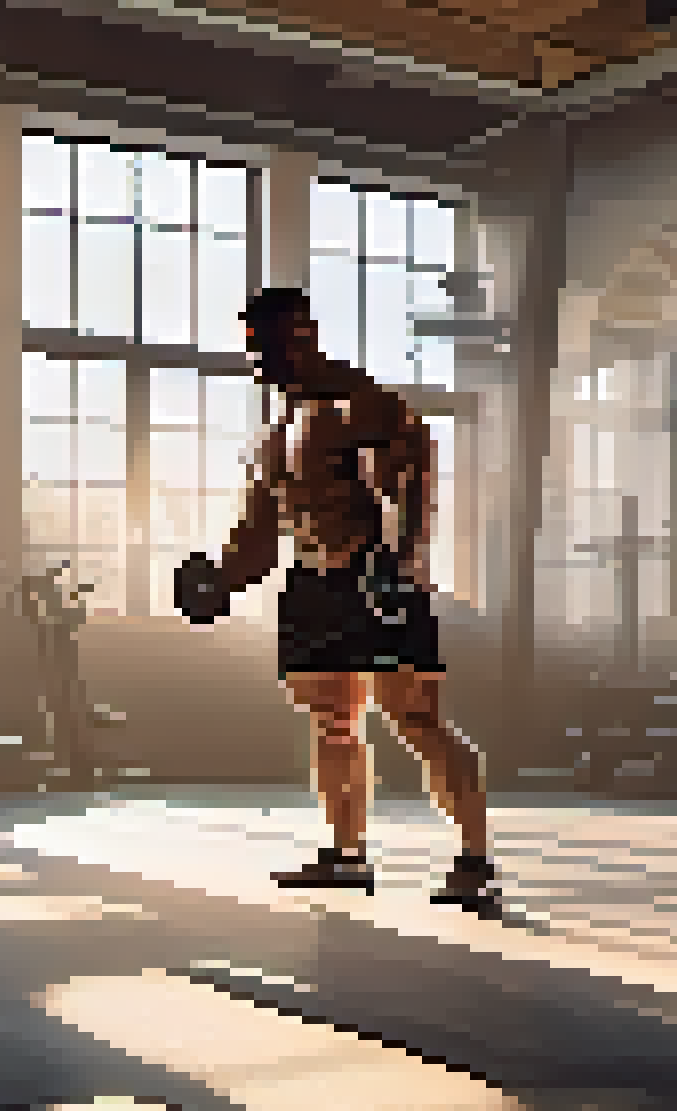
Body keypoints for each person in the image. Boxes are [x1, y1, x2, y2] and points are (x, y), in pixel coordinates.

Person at [197, 286, 494, 903]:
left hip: (375, 575)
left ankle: (474, 861)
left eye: (273, 343)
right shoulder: (274, 435)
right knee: (331, 720)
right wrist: (219, 581)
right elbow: (259, 531)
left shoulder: (363, 404)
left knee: (416, 718)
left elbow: (412, 483)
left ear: (303, 336)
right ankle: (346, 854)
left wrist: (401, 563)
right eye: (255, 346)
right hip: (313, 586)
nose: (263, 358)